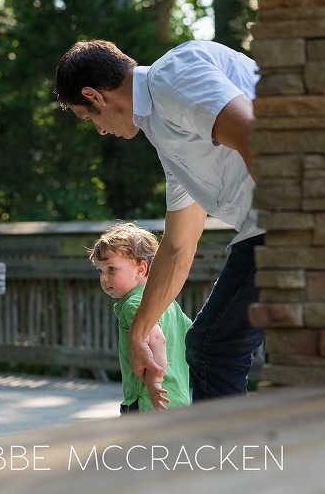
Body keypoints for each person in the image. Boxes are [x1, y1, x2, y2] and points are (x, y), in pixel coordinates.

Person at [56, 39, 265, 401]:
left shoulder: (172, 76)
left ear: (94, 95)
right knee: (292, 352)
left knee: (210, 347)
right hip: (273, 225)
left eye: (89, 117)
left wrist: (303, 232)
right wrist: (139, 335)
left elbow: (256, 137)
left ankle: (225, 454)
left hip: (290, 220)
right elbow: (178, 247)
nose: (100, 130)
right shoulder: (166, 134)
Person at [89, 222, 191, 414]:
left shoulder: (134, 304)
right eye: (100, 271)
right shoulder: (168, 303)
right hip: (178, 397)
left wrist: (154, 384)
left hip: (148, 399)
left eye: (111, 269)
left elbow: (156, 340)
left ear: (141, 269)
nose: (103, 278)